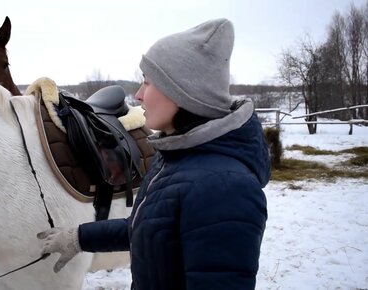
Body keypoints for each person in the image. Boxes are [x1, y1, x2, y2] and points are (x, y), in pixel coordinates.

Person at [37, 18, 270, 290]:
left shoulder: (225, 190)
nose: (137, 95)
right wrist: (78, 237)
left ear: (182, 92)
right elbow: (149, 226)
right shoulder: (176, 159)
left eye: (147, 83)